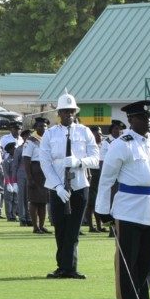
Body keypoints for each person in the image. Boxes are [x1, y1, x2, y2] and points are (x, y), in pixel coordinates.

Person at [94, 100, 150, 299]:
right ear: (131, 120)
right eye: (143, 118)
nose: (148, 121)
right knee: (128, 264)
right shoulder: (121, 145)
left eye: (149, 117)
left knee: (147, 264)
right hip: (129, 211)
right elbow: (106, 179)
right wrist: (102, 210)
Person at [39, 92, 99, 279]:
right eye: (65, 111)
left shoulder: (84, 132)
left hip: (79, 185)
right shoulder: (50, 134)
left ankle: (70, 268)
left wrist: (79, 162)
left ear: (75, 112)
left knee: (73, 230)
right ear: (59, 113)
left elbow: (95, 159)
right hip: (57, 187)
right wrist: (58, 186)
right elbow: (45, 162)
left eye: (71, 111)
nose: (69, 114)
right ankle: (62, 266)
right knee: (60, 228)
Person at [23, 117, 50, 234]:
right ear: (35, 128)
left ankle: (42, 226)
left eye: (45, 126)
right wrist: (29, 178)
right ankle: (35, 227)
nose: (43, 128)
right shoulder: (31, 140)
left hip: (46, 172)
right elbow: (26, 159)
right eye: (40, 126)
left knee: (43, 201)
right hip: (35, 171)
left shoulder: (48, 139)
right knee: (34, 201)